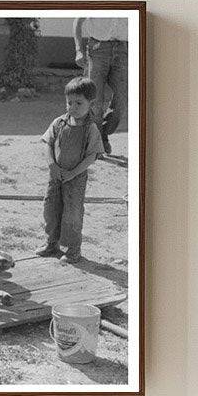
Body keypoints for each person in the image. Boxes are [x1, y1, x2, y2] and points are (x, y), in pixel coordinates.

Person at [37, 76, 104, 264]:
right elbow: (48, 143)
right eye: (69, 102)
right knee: (51, 210)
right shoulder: (59, 123)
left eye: (79, 103)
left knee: (72, 215)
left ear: (91, 104)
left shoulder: (90, 129)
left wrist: (73, 173)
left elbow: (92, 155)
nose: (73, 107)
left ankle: (73, 250)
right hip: (55, 176)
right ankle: (51, 243)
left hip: (75, 179)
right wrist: (52, 165)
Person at [72, 15, 129, 155]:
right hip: (97, 50)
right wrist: (79, 50)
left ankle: (102, 132)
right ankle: (96, 142)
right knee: (95, 100)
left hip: (124, 50)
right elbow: (78, 21)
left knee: (123, 99)